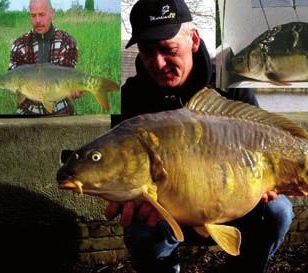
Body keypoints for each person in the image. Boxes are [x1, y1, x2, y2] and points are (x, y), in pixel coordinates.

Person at [107, 1, 294, 272]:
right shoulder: (132, 96)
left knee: (279, 211)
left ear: (194, 40)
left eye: (168, 49)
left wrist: (267, 181)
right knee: (141, 229)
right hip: (167, 212)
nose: (158, 63)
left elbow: (264, 146)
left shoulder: (229, 85)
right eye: (148, 52)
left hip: (233, 207)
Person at [9, 0, 80, 115]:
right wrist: (26, 91)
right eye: (33, 15)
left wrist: (74, 90)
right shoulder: (19, 44)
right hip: (28, 109)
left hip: (61, 107)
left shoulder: (67, 41)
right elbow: (12, 78)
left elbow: (69, 74)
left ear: (52, 13)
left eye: (41, 14)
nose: (37, 20)